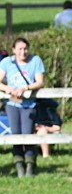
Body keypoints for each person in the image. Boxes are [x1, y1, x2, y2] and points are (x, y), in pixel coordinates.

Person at [0, 38, 45, 176]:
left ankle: (30, 165)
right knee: (16, 135)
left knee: (28, 134)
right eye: (19, 49)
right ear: (14, 50)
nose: (23, 52)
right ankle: (19, 165)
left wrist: (26, 88)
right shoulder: (6, 62)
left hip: (28, 103)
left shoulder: (35, 61)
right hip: (12, 104)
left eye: (25, 48)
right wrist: (7, 88)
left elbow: (40, 82)